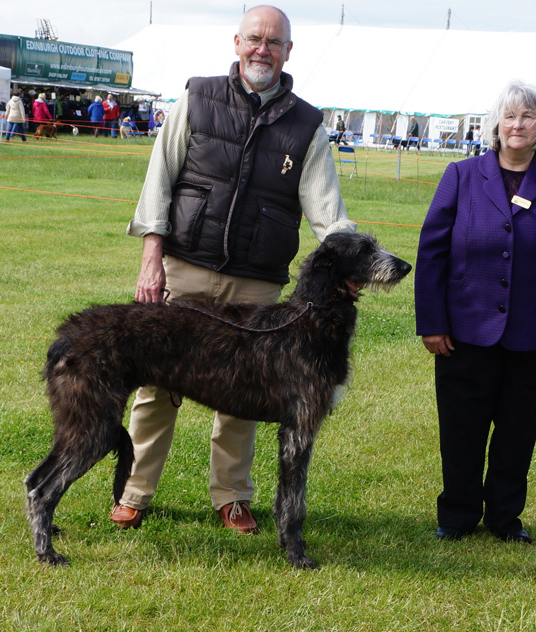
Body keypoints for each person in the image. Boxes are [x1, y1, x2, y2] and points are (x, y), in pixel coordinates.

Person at [109, 5, 356, 535]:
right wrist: (152, 258)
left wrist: (354, 255)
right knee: (155, 384)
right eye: (253, 39)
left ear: (289, 51)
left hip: (256, 281)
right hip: (187, 267)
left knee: (244, 394)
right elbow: (159, 180)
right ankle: (135, 492)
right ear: (236, 42)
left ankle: (232, 497)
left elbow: (327, 211)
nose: (262, 49)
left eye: (274, 42)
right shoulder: (196, 99)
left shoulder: (308, 125)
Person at [414, 81, 536, 544]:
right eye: (510, 116)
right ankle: (456, 516)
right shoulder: (461, 175)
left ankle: (504, 519)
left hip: (535, 339)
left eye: (528, 116)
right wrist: (431, 323)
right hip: (465, 336)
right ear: (496, 123)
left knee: (517, 436)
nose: (518, 125)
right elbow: (432, 254)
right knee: (461, 433)